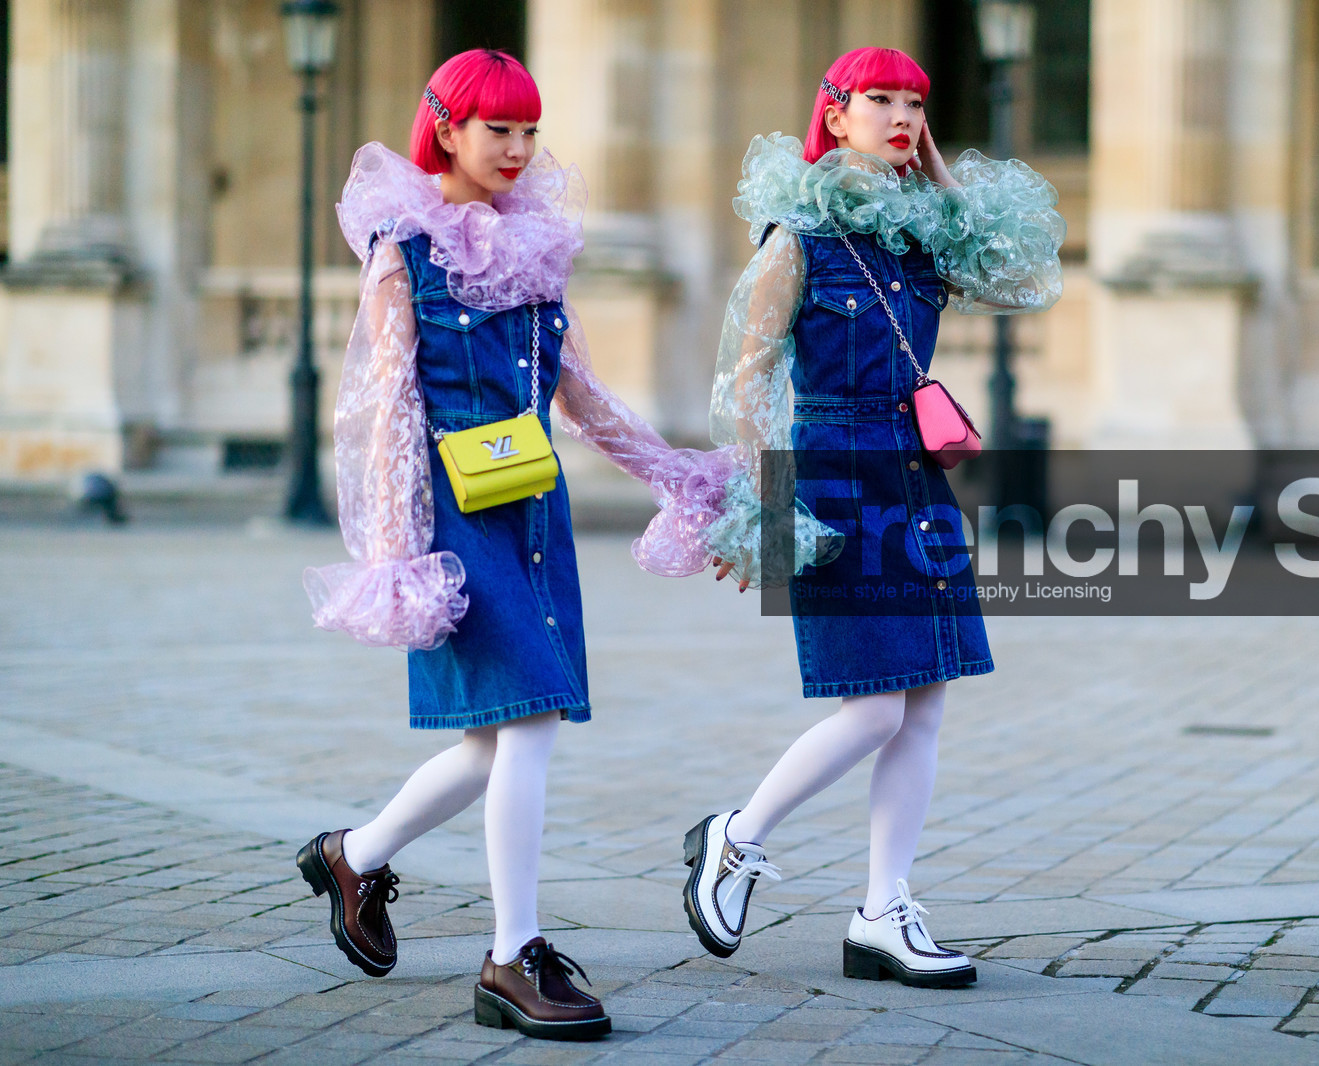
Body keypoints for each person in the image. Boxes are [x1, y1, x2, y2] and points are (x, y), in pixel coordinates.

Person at [297, 48, 722, 1042]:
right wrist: (399, 554)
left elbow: (578, 393)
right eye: (500, 130)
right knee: (525, 723)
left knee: (497, 735)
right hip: (451, 514)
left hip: (531, 505)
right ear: (445, 128)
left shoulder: (532, 249)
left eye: (531, 131)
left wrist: (673, 471)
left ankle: (353, 857)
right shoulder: (400, 250)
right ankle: (512, 953)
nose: (520, 149)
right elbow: (382, 407)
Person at [681, 46, 1066, 988]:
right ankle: (734, 839)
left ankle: (883, 913)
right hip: (835, 477)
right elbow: (749, 374)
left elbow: (1024, 277)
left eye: (915, 103)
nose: (900, 115)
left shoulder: (924, 235)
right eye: (879, 101)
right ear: (835, 114)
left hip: (916, 477)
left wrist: (937, 174)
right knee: (874, 706)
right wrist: (761, 506)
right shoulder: (799, 235)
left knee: (924, 701)